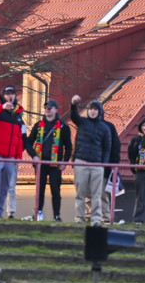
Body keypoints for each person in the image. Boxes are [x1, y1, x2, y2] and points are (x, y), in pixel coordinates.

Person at [25, 99, 72, 221]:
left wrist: (65, 162)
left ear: (56, 110)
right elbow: (28, 142)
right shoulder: (38, 125)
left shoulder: (63, 127)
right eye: (46, 107)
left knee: (55, 190)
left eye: (50, 107)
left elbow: (69, 146)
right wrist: (33, 156)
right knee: (39, 189)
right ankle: (38, 213)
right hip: (40, 163)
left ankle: (56, 216)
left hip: (55, 164)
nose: (47, 109)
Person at [0, 85, 25, 218]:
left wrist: (18, 157)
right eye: (7, 94)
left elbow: (19, 138)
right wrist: (1, 107)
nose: (10, 96)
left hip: (10, 156)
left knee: (6, 187)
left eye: (12, 94)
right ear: (3, 95)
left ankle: (0, 211)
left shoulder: (17, 115)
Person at [69, 95, 111, 227]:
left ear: (99, 111)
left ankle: (96, 220)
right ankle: (79, 218)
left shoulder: (105, 128)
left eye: (95, 109)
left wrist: (102, 165)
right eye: (90, 109)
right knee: (80, 193)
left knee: (96, 194)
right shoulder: (82, 122)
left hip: (97, 164)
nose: (92, 111)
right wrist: (73, 104)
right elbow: (74, 116)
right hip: (81, 162)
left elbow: (107, 148)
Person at [127, 118, 145, 224]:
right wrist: (134, 168)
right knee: (140, 195)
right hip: (140, 171)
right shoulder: (135, 140)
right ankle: (138, 218)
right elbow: (131, 155)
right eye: (143, 125)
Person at [100, 107, 122, 225]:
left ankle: (106, 217)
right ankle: (88, 216)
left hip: (105, 165)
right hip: (90, 163)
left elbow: (115, 146)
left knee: (103, 193)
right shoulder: (86, 125)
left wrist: (114, 163)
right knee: (88, 193)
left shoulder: (109, 127)